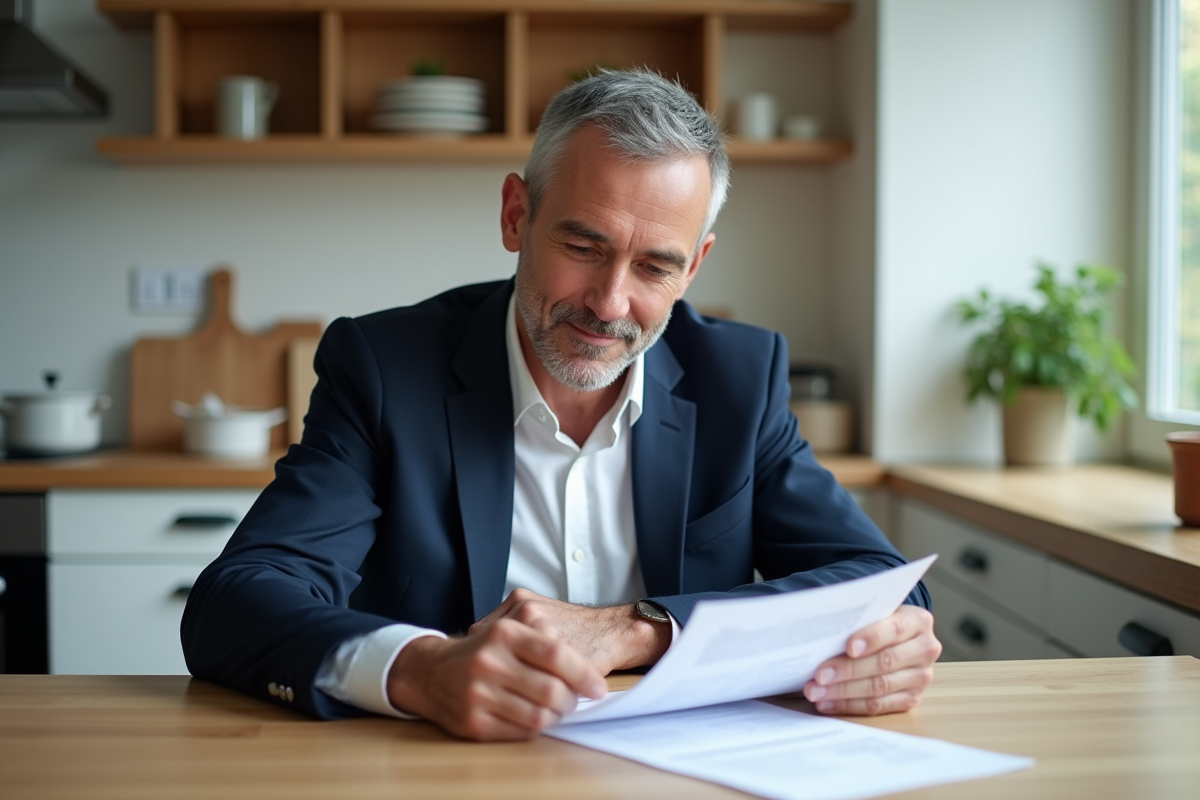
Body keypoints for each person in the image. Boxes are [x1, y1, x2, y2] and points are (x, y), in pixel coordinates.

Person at [181, 69, 940, 742]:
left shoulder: (737, 379)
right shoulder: (385, 369)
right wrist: (419, 669)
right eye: (584, 247)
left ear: (694, 267)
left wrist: (637, 630)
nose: (610, 303)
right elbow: (235, 603)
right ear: (517, 215)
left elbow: (886, 584)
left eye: (654, 267)